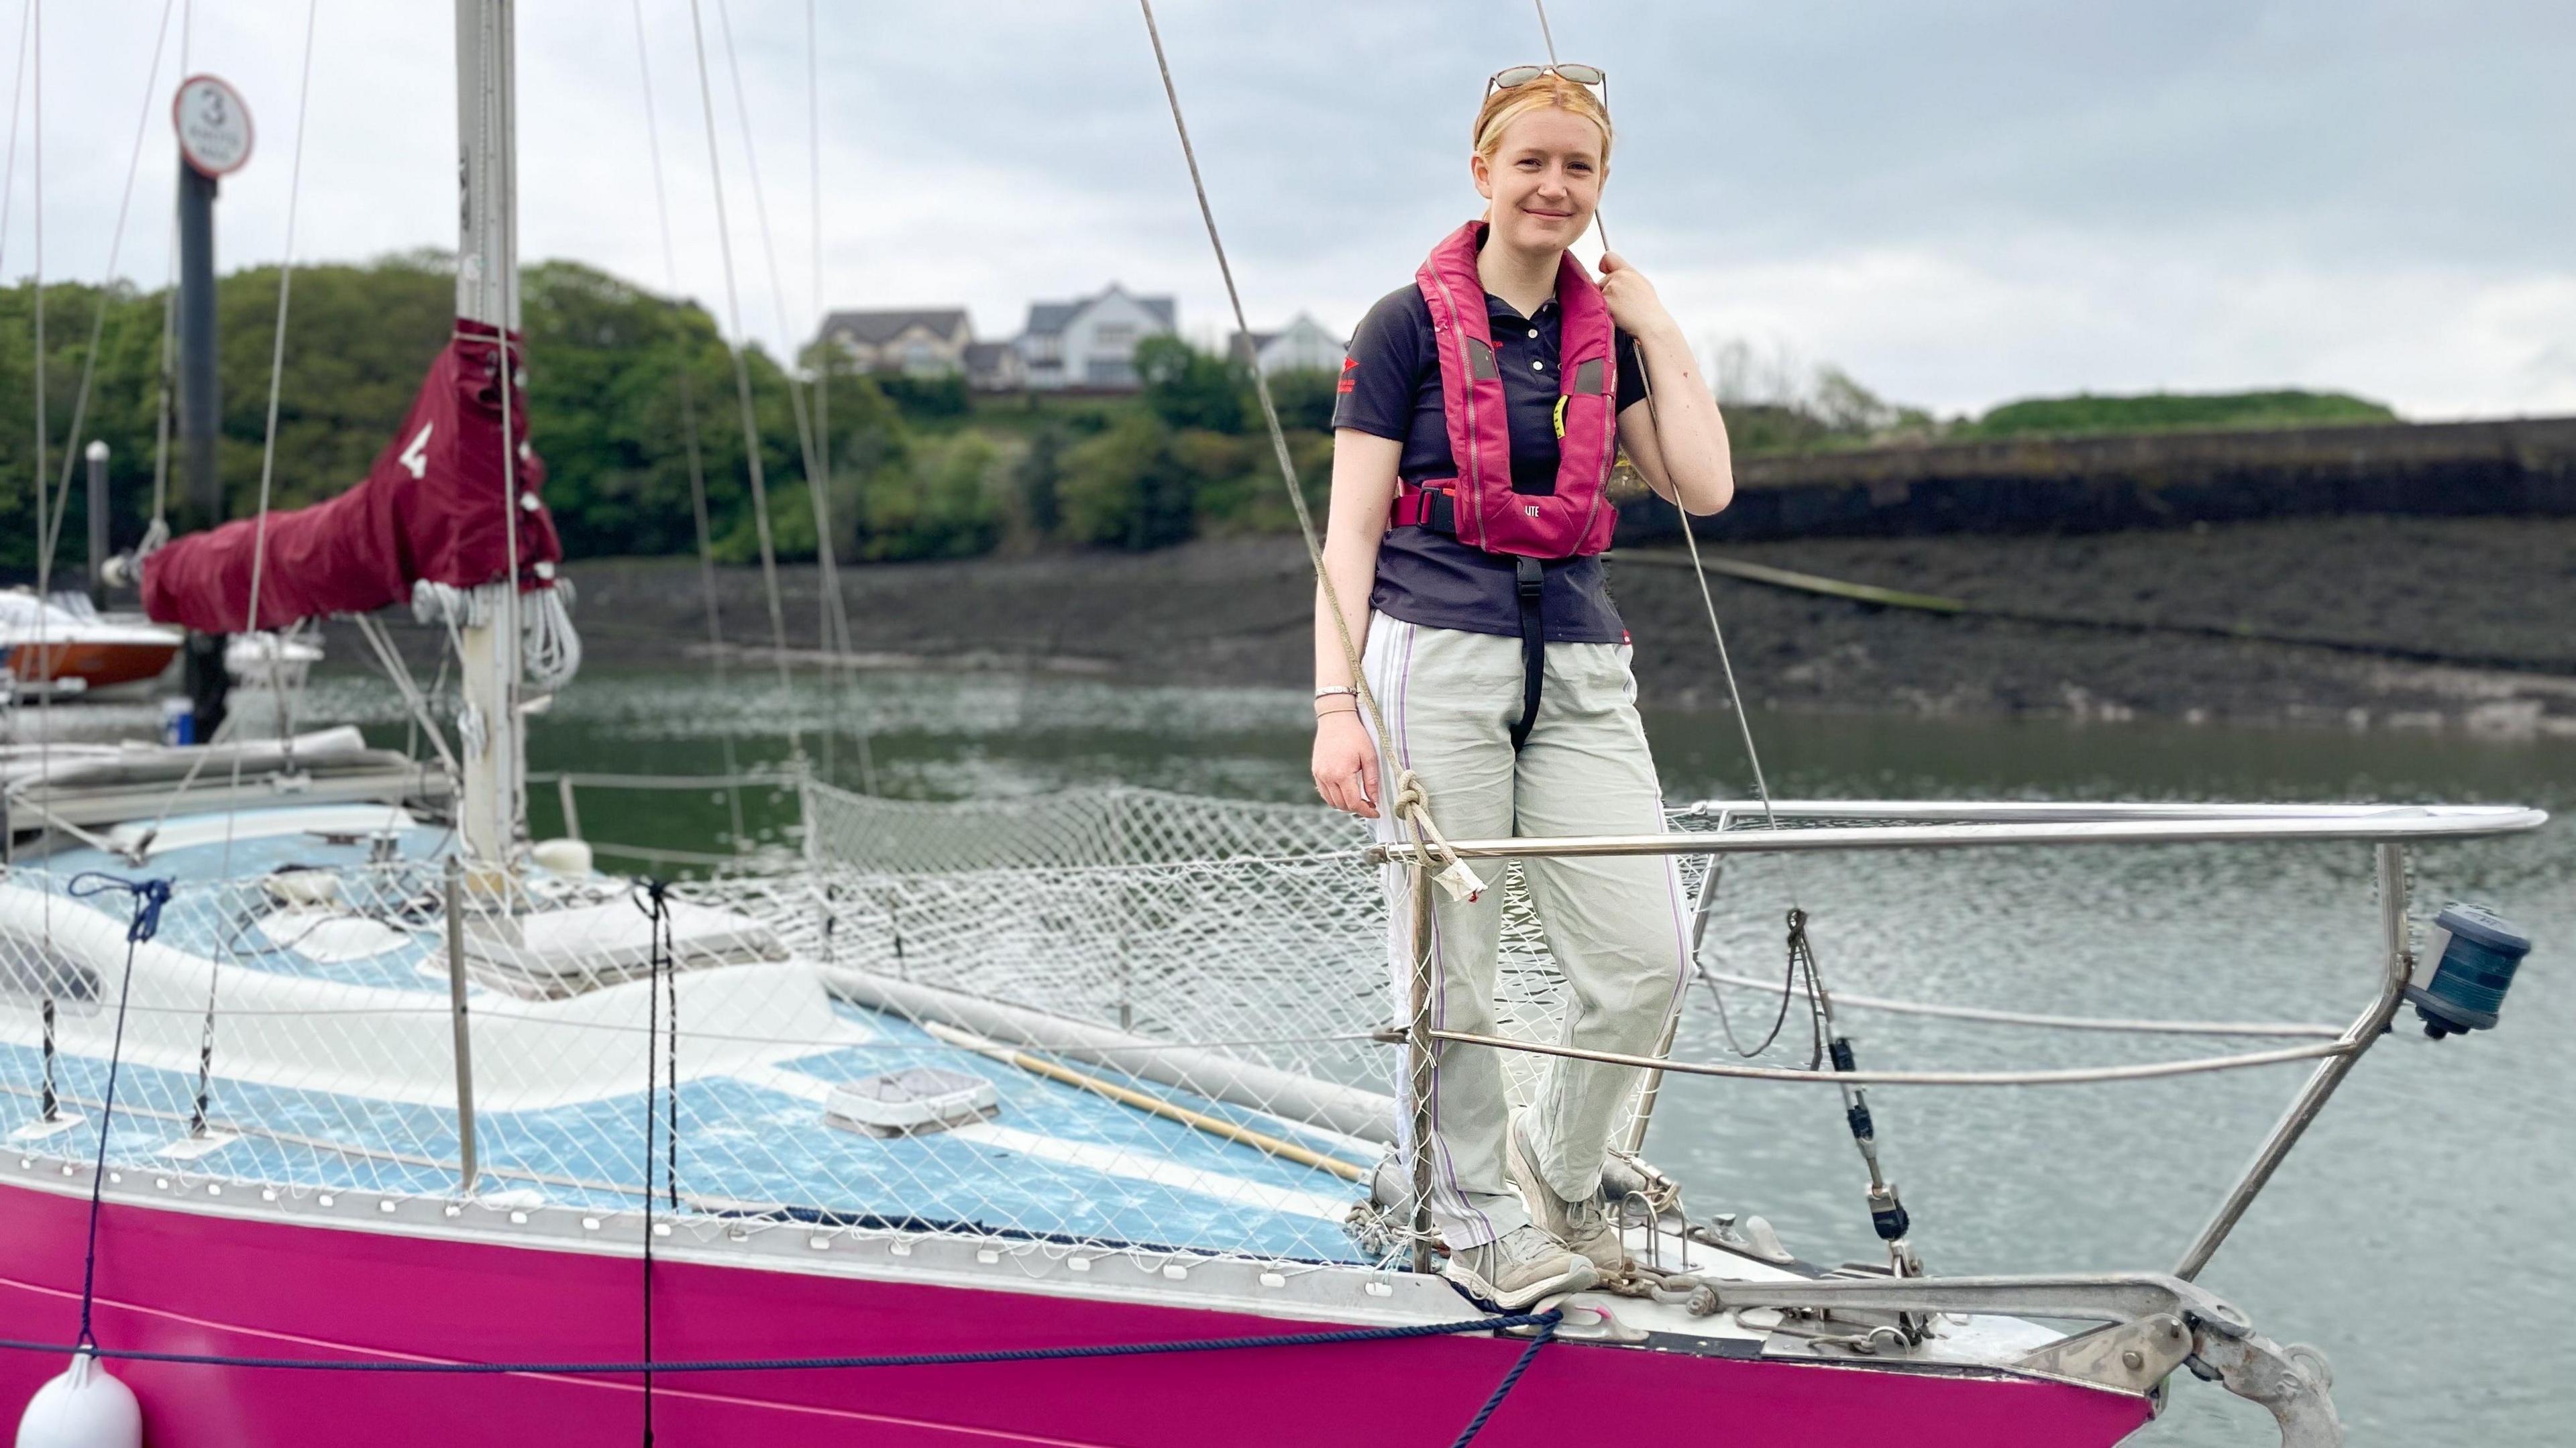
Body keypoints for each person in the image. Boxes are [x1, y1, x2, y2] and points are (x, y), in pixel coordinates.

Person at [1312, 64, 1734, 1310]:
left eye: (1580, 168)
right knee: (1456, 967)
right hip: (1433, 649)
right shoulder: (1401, 326)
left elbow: (1702, 483)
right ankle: (1471, 1209)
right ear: (1484, 172)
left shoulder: (1607, 334)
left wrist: (1657, 325)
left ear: (1601, 190)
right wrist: (1337, 706)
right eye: (1532, 162)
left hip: (1586, 660)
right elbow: (1347, 536)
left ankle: (1560, 1172)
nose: (1554, 186)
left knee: (1644, 958)